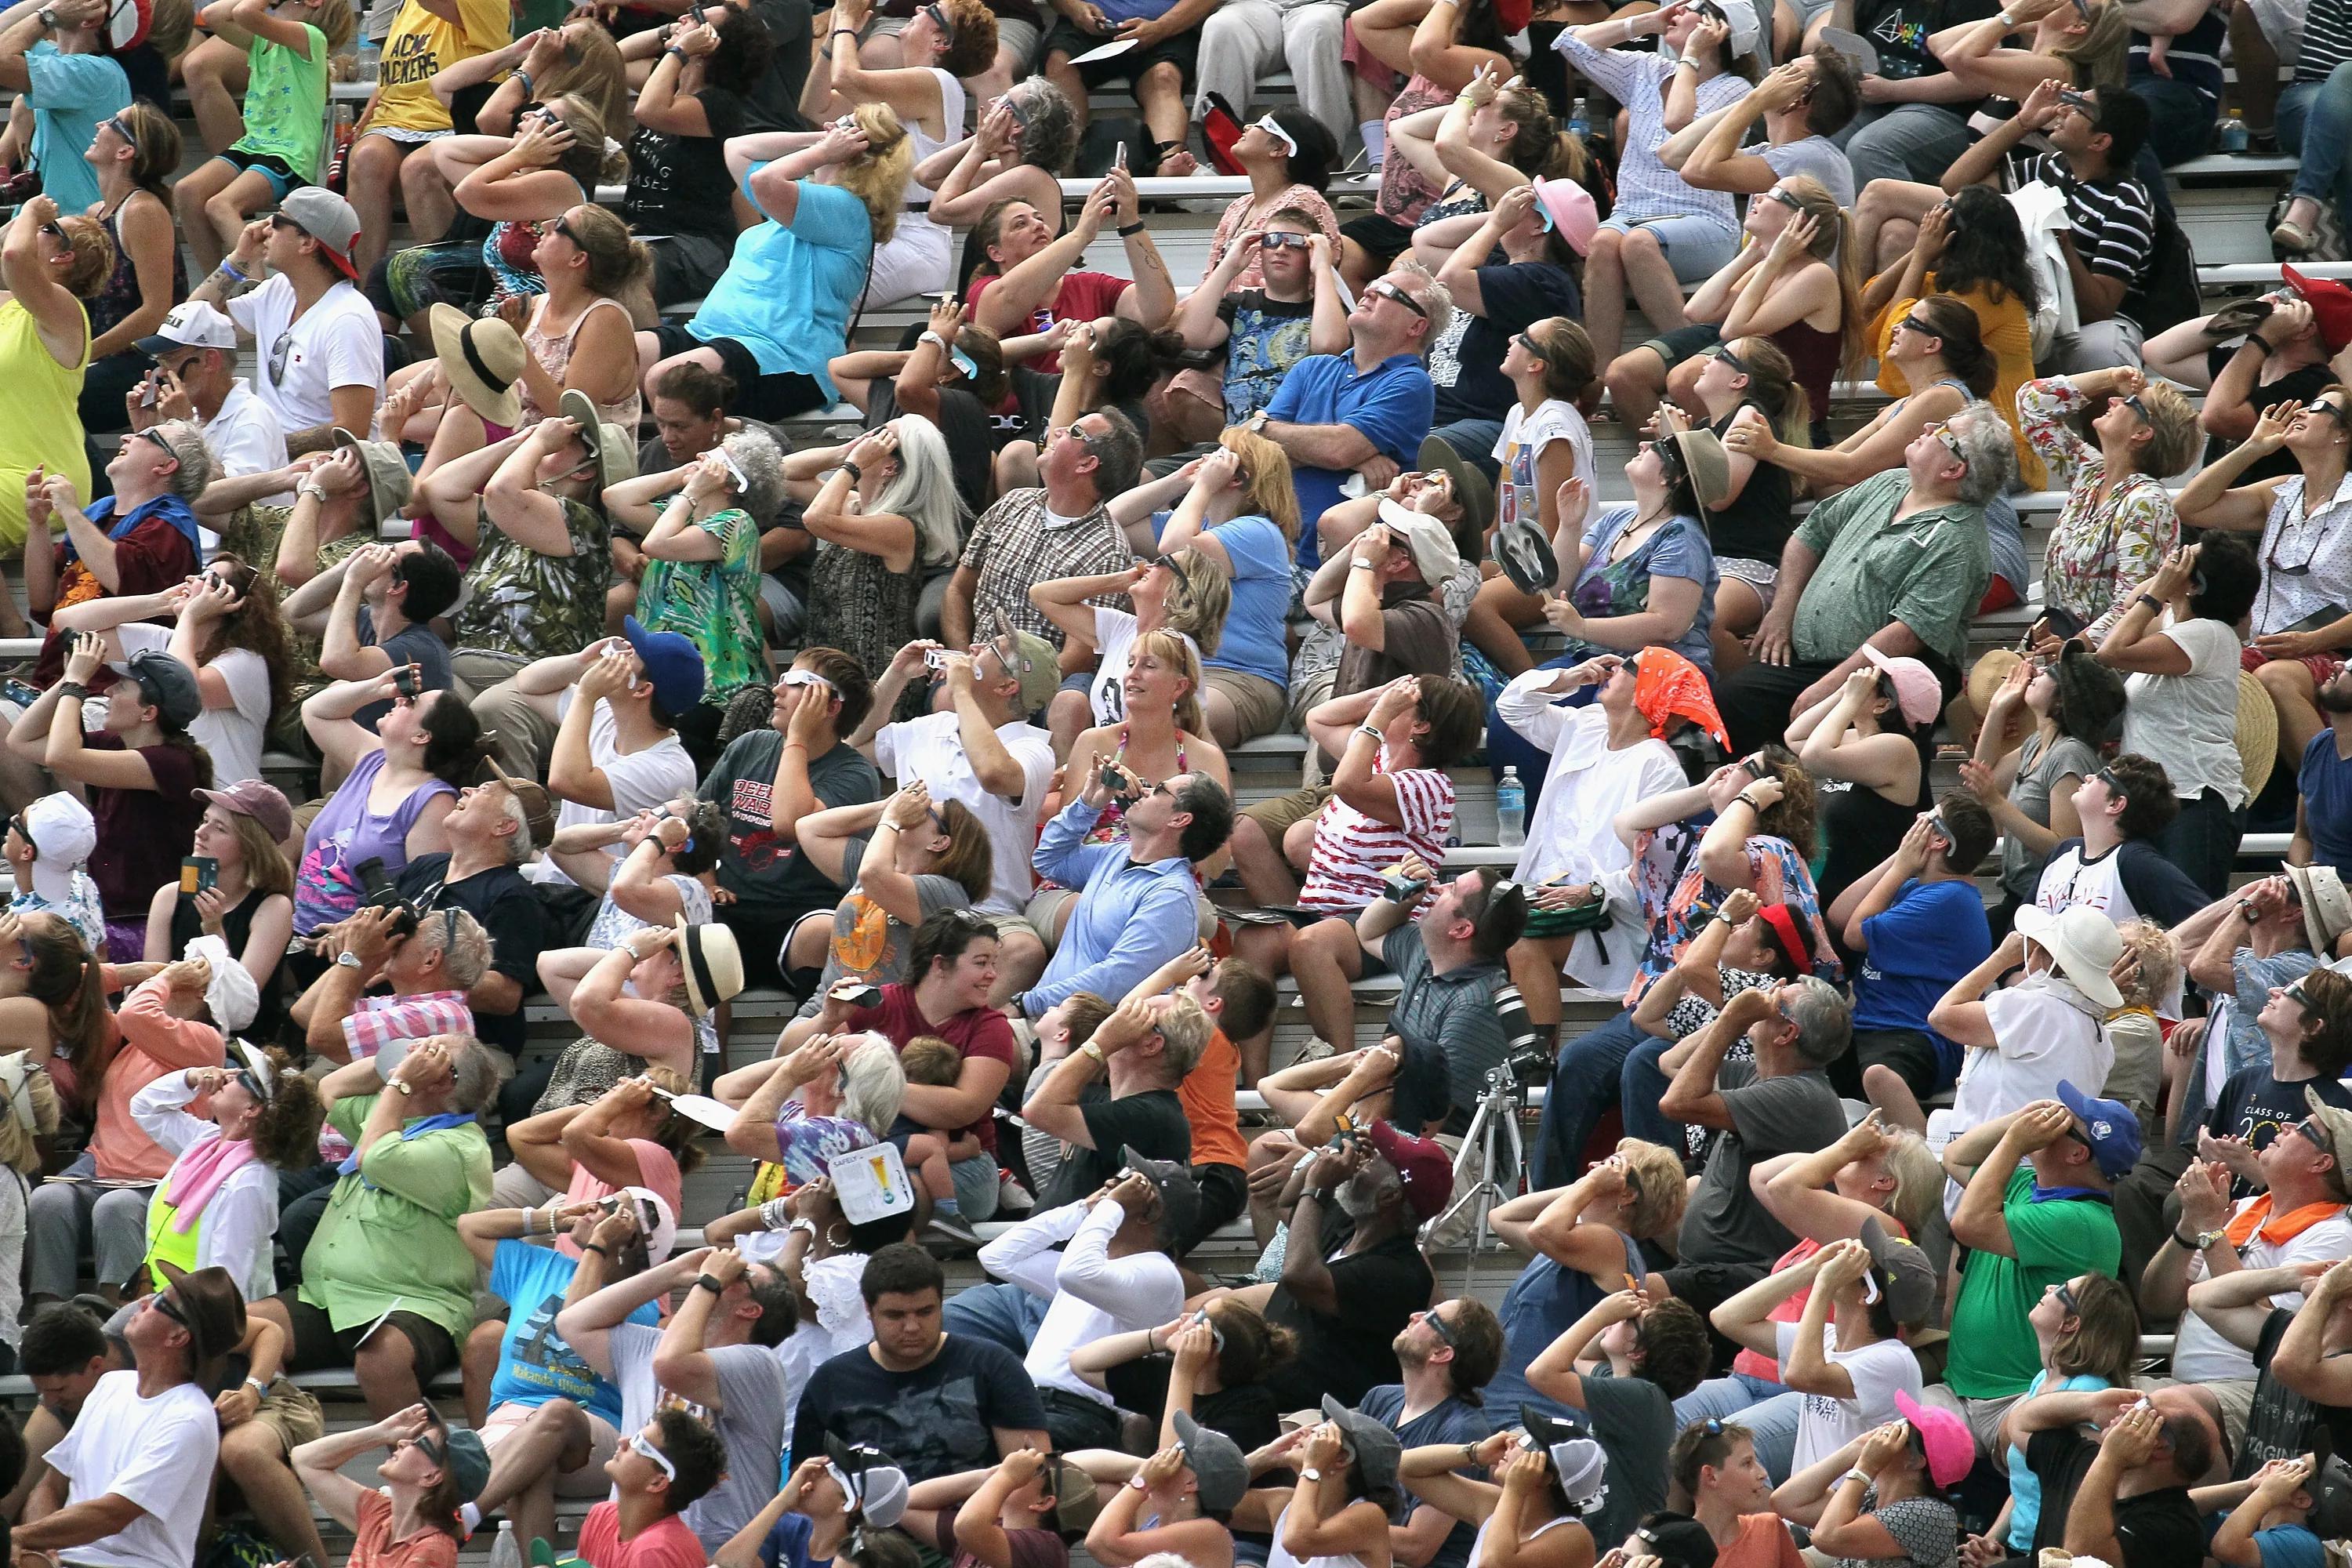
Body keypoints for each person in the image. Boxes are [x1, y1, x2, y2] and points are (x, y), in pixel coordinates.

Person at [1716, 401, 2014, 753]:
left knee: (1751, 704)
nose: (1927, 428)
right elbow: (1807, 537)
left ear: (1953, 469)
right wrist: (1781, 611)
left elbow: (1906, 635)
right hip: (1811, 661)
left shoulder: (1959, 542)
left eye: (1943, 432)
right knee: (1731, 702)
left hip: (1885, 678)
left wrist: (1829, 688)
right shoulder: (1889, 483)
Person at [258, 1036, 496, 1419]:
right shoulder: (395, 1117)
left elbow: (373, 1156)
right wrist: (392, 1063)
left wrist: (401, 1082)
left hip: (414, 1302)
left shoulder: (459, 1147)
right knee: (240, 1328)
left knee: (381, 1356)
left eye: (432, 1049)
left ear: (443, 1081)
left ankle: (422, 1467)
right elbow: (331, 1087)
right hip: (330, 1297)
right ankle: (279, 1436)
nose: (420, 1048)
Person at [639, 107, 915, 422]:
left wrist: (821, 151)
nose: (831, 131)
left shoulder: (848, 210)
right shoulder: (802, 205)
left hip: (781, 356)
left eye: (842, 129)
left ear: (852, 154)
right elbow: (737, 148)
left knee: (666, 380)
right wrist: (820, 140)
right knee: (617, 358)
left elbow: (764, 180)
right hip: (709, 334)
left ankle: (678, 469)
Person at [850, 631, 1058, 997]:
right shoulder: (932, 727)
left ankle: (959, 1037)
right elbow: (854, 747)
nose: (973, 647)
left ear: (1008, 685)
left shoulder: (1034, 748)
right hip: (903, 895)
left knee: (1023, 951)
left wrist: (961, 692)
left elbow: (994, 774)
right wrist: (896, 676)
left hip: (984, 909)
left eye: (990, 649)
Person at [1552, 1, 1759, 364]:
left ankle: (1692, 362)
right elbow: (1570, 43)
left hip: (1702, 220)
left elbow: (1677, 122)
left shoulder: (1737, 90)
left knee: (1639, 244)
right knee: (1602, 243)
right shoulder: (1647, 68)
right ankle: (1599, 379)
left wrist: (1691, 56)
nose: (1678, 9)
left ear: (1719, 31)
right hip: (1632, 212)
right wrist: (1644, 23)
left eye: (1693, 7)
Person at [557, 1238, 793, 1553]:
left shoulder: (759, 1364)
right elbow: (573, 1323)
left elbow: (671, 1365)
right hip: (633, 1545)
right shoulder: (653, 1344)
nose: (726, 1271)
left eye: (741, 1275)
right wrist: (674, 1272)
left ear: (750, 1310)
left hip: (716, 1552)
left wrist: (710, 1282)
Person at [1933, 1091, 2136, 1453]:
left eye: (2062, 1121)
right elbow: (1955, 1156)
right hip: (1960, 1388)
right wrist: (2019, 1117)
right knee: (1894, 1444)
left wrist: (2015, 1142)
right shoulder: (2027, 1188)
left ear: (2077, 1153)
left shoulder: (2082, 1220)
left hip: (2021, 1396)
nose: (2049, 1118)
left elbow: (1969, 1223)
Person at [13, 1267, 245, 1568]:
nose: (144, 1301)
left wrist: (18, 1536)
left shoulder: (190, 1417)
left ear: (178, 1336)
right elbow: (49, 1486)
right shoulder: (110, 1385)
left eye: (159, 1301)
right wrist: (42, 1551)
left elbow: (112, 1515)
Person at [2174, 390, 2352, 777]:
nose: (2301, 409)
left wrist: (2312, 641)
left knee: (2275, 677)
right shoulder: (2282, 492)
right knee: (2187, 665)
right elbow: (2189, 508)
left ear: (2343, 433)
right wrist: (2253, 447)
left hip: (2336, 651)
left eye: (2319, 408)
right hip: (2266, 645)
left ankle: (2335, 792)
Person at [9, 636, 209, 958]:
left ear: (149, 712)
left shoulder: (171, 763)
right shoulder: (118, 744)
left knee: (29, 953)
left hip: (148, 927)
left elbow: (62, 756)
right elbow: (22, 740)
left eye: (121, 688)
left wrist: (77, 681)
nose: (106, 692)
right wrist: (66, 679)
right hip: (109, 916)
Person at [700, 651, 884, 990]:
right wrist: (707, 880)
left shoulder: (854, 774)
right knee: (689, 927)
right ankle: (707, 1045)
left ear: (831, 707)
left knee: (823, 930)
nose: (777, 691)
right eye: (782, 679)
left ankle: (810, 1036)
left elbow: (789, 823)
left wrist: (797, 737)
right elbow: (699, 821)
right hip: (732, 905)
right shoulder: (750, 745)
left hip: (802, 914)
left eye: (797, 683)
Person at [978, 1161, 1192, 1450]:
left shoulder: (1160, 1274)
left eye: (1127, 1182)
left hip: (1079, 1415)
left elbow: (1074, 1273)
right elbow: (997, 1257)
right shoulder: (1097, 1267)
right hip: (1031, 1404)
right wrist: (1083, 1210)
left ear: (1149, 1213)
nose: (1110, 1184)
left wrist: (1111, 1208)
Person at [792, 1243, 1051, 1484]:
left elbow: (1032, 1479)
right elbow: (809, 1491)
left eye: (926, 1312)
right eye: (895, 1316)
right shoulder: (832, 1382)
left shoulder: (992, 1365)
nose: (912, 1327)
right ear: (869, 1310)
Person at [2095, 539, 2263, 895]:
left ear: (2195, 584)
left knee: (2187, 931)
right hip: (2164, 800)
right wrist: (2168, 581)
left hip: (2195, 800)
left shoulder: (2208, 634)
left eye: (2186, 558)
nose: (2176, 557)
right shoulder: (2179, 625)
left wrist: (2160, 589)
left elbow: (2111, 650)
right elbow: (2130, 605)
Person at [1249, 263, 1446, 562]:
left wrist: (1263, 427)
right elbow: (1245, 451)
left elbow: (1337, 450)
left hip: (1328, 568)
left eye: (1387, 292)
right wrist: (1353, 459)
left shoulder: (1410, 383)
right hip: (1264, 543)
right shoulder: (1312, 367)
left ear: (1416, 326)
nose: (1368, 291)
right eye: (1373, 284)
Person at [1256, 1119, 1453, 1410]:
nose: (1360, 1162)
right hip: (1265, 1391)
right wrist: (1330, 1153)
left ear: (1389, 1196)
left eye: (1374, 1160)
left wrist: (1318, 1187)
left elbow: (1298, 1277)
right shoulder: (1349, 1221)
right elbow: (1287, 1203)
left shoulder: (1400, 1273)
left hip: (1314, 1418)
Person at [1014, 761, 1232, 1022]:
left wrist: (1025, 1004)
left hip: (1087, 1037)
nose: (1145, 791)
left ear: (1179, 819)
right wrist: (1089, 804)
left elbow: (1116, 979)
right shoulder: (1116, 855)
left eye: (1159, 790)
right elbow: (1049, 859)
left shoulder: (1171, 897)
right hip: (1050, 1019)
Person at [1712, 1229, 1935, 1483]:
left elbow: (1801, 1375)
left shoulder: (1895, 1361)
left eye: (1858, 1262)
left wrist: (1824, 1284)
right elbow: (1727, 1318)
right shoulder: (1828, 1338)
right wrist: (1812, 1267)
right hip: (1807, 1509)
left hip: (1846, 1513)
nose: (1846, 1258)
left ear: (1869, 1295)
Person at [1836, 798, 1998, 1124]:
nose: (1916, 821)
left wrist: (1900, 867)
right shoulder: (1920, 887)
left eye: (1927, 819)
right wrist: (1900, 861)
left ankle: (1923, 1161)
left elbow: (1854, 935)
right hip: (1872, 1025)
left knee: (1879, 1074)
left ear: (1938, 839)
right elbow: (1840, 914)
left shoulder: (1947, 899)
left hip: (1917, 1035)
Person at [185, 187, 382, 450]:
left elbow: (351, 429)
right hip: (274, 457)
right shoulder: (277, 290)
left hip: (323, 466)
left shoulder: (347, 318)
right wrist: (238, 259)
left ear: (307, 243)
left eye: (276, 223)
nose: (264, 230)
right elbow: (191, 326)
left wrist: (269, 447)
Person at [799, 418, 965, 728]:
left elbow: (815, 519)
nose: (869, 440)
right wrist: (844, 454)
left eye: (880, 438)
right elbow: (784, 475)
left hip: (872, 683)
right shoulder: (853, 509)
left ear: (890, 467)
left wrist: (852, 466)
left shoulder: (899, 527)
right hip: (828, 673)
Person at [130, 1045, 324, 1304]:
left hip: (193, 1318)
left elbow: (227, 1283)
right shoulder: (205, 1141)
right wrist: (190, 1078)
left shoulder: (249, 1183)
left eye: (243, 1076)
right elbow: (144, 1107)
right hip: (157, 1300)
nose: (228, 1074)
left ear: (252, 1109)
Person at [171, 0, 351, 276]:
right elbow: (211, 15)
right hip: (253, 144)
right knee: (186, 191)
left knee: (220, 205)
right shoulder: (263, 44)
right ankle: (217, 289)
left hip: (288, 153)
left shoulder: (310, 37)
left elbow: (244, 13)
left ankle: (258, 291)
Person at [1526, 1285, 1714, 1548]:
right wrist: (1614, 1318)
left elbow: (1540, 1373)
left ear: (1638, 1353)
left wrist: (1601, 1314)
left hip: (1614, 1548)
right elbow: (1582, 1357)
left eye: (1630, 1321)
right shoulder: (1630, 1389)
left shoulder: (1642, 1397)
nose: (1620, 1318)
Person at [2020, 368, 2200, 641]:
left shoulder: (2147, 504)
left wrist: (2073, 651)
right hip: (2058, 643)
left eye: (2128, 401)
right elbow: (2032, 404)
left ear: (2142, 433)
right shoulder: (2090, 475)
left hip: (2099, 665)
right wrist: (2110, 378)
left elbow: (2134, 607)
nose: (2113, 400)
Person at [941, 408, 1141, 652]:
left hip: (1037, 685)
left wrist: (1005, 684)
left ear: (1087, 464)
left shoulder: (1108, 551)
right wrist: (960, 660)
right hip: (969, 667)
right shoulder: (1012, 503)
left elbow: (1077, 658)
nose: (1058, 431)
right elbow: (958, 591)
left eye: (1074, 432)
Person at [1960, 645, 2127, 933]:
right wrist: (1997, 708)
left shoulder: (2069, 755)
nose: (2035, 672)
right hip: (2020, 896)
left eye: (2050, 672)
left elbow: (2063, 846)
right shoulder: (2038, 743)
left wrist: (1996, 804)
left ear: (2062, 701)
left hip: (2048, 908)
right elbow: (1983, 778)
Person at [623, 3, 779, 307]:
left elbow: (647, 110)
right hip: (643, 237)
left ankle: (647, 351)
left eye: (696, 18)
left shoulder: (720, 105)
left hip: (694, 244)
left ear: (711, 44)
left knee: (627, 274)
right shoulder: (667, 82)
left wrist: (680, 49)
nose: (683, 18)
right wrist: (670, 32)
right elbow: (613, 59)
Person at [1162, 205, 1348, 456]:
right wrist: (1229, 265)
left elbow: (1329, 345)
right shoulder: (1239, 305)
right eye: (1271, 241)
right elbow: (1190, 336)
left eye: (1295, 243)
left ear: (1312, 253)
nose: (1281, 249)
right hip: (1235, 444)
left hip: (1296, 448)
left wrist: (1324, 267)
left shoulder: (1324, 313)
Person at [0, 197, 113, 570]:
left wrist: (30, 210)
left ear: (64, 259)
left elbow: (14, 257)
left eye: (49, 229)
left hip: (42, 478)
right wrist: (32, 223)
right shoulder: (11, 306)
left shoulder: (65, 309)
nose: (37, 228)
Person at [1022, 990, 1210, 1207]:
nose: (1117, 1019)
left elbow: (1038, 1111)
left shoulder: (1150, 1117)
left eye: (1137, 1016)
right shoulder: (1116, 1105)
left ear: (1151, 1045)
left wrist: (1101, 1042)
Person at [2005, 1386, 2220, 1568]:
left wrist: (2111, 1460)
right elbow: (2020, 1423)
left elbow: (2082, 1559)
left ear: (2159, 1444)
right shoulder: (2085, 1461)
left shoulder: (2177, 1530)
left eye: (2142, 1407)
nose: (2124, 1408)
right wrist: (2090, 1404)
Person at [1785, 654, 1933, 913]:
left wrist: (1851, 700)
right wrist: (1844, 692)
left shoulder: (1899, 748)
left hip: (1856, 906)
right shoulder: (1858, 739)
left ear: (1883, 703)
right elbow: (1796, 737)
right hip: (1830, 892)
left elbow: (1812, 756)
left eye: (1872, 679)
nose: (1861, 677)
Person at [289, 1402, 489, 1568]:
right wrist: (381, 1432)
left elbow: (306, 1463)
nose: (402, 1442)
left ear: (431, 1476)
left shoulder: (433, 1551)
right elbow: (305, 1460)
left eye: (418, 1442)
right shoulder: (378, 1514)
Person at [1770, 1403, 1968, 1566]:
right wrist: (1856, 1447)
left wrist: (1866, 1466)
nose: (1889, 1430)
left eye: (1902, 1431)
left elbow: (1826, 1537)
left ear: (1916, 1461)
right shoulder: (1875, 1495)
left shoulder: (1931, 1514)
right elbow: (1787, 1502)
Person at [2031, 751, 2211, 929]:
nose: (2088, 777)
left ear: (2116, 804)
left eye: (2102, 776)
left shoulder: (2136, 862)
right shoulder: (2063, 852)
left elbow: (2213, 922)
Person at [579, 1410, 734, 1568]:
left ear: (658, 1482)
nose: (624, 1441)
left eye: (639, 1444)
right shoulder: (601, 1516)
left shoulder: (654, 1552)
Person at [5, 793, 103, 955]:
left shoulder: (21, 927)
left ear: (27, 852)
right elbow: (101, 954)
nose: (12, 818)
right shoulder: (84, 885)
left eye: (18, 821)